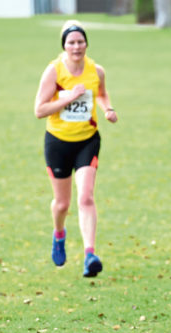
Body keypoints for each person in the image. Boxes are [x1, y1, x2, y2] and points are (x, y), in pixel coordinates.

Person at [34, 20, 118, 277]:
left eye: (80, 41)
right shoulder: (54, 71)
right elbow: (39, 110)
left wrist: (108, 109)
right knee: (62, 204)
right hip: (58, 142)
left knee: (86, 197)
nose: (76, 46)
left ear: (86, 44)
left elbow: (101, 93)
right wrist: (69, 96)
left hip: (87, 140)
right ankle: (59, 234)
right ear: (64, 45)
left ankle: (89, 254)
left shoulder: (96, 70)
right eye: (71, 42)